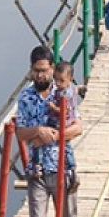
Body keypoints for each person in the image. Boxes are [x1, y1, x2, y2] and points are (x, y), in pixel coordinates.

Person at [16, 46, 82, 217]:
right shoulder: (25, 97)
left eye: (44, 70)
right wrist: (38, 131)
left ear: (52, 68)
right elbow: (20, 133)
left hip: (62, 169)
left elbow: (77, 128)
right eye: (36, 70)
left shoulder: (64, 92)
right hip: (37, 172)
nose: (40, 75)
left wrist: (53, 136)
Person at [29, 60, 79, 193]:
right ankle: (71, 170)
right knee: (65, 146)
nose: (57, 83)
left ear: (70, 79)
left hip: (60, 122)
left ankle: (37, 165)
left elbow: (65, 110)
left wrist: (53, 107)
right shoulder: (69, 89)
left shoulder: (65, 93)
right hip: (61, 121)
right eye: (56, 80)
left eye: (61, 81)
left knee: (40, 137)